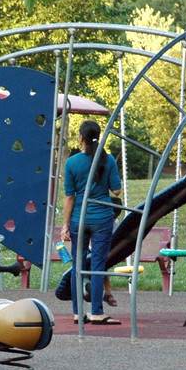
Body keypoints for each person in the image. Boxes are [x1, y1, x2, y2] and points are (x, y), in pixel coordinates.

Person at [61, 120, 122, 324]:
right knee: (97, 265)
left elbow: (69, 197)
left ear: (81, 138)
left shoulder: (71, 163)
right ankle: (97, 311)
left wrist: (65, 225)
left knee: (78, 265)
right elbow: (117, 190)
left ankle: (79, 312)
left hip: (79, 218)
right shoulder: (108, 160)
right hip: (103, 219)